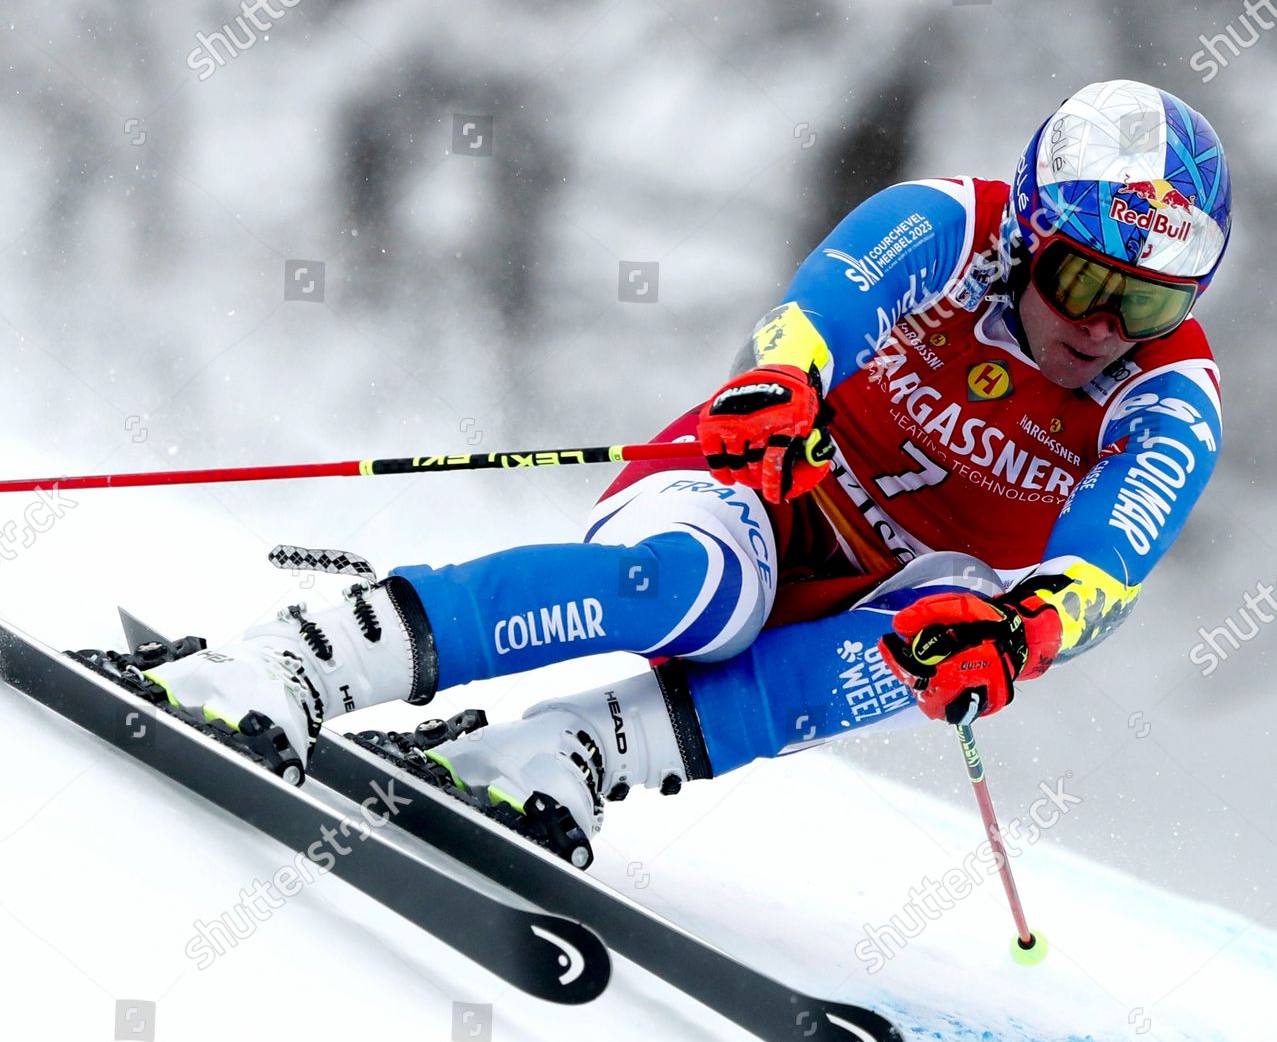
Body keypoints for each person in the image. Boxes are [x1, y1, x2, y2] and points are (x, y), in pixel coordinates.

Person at [123, 78, 1230, 857]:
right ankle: (301, 661)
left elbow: (1104, 566)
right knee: (704, 591)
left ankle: (568, 752)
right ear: (1030, 234)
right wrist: (782, 384)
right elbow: (818, 311)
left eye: (1148, 302)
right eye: (1083, 284)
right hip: (757, 481)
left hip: (882, 588)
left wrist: (1026, 631)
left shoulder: (1167, 397)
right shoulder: (950, 225)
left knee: (944, 629)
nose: (1103, 327)